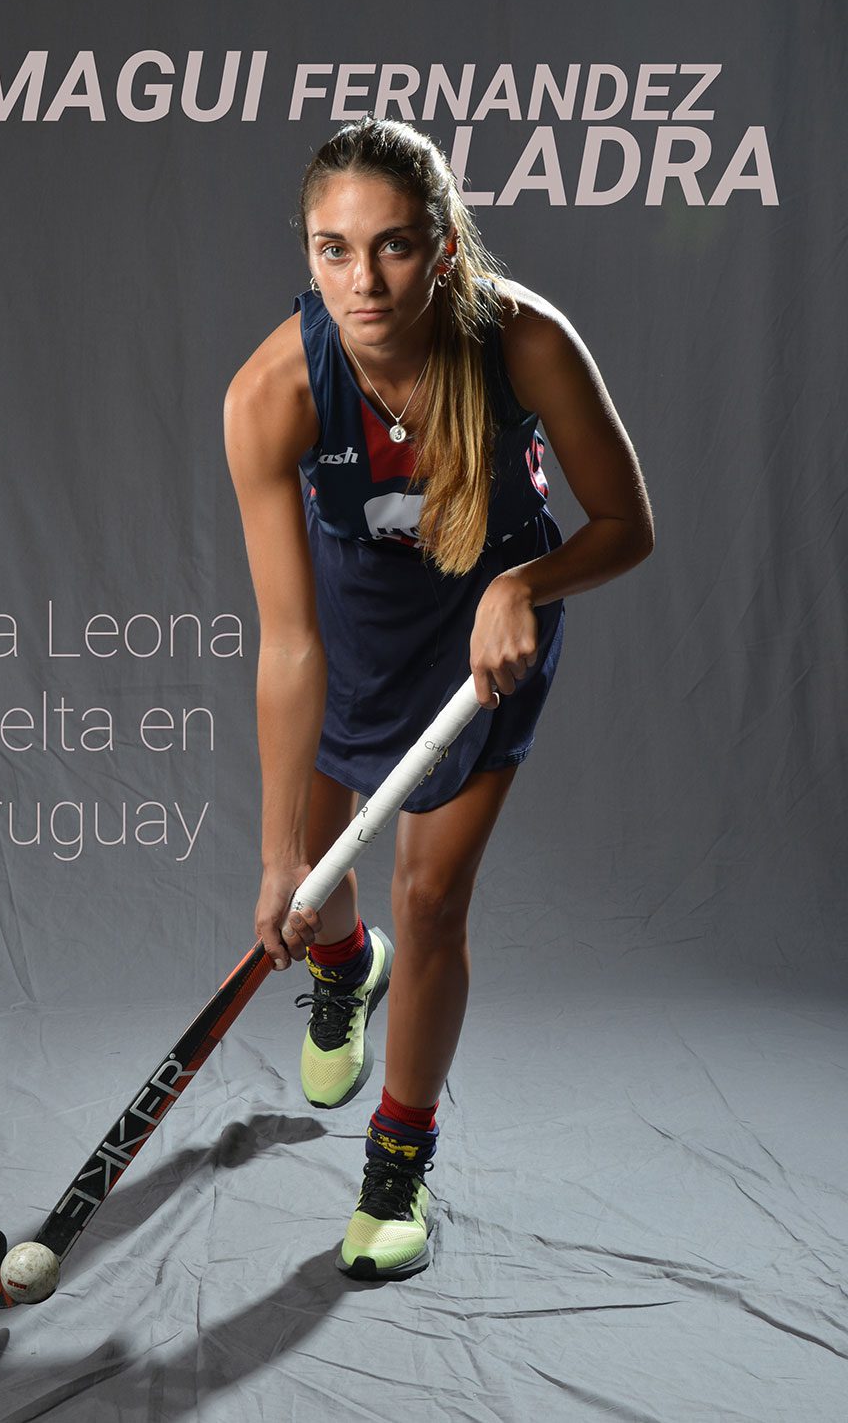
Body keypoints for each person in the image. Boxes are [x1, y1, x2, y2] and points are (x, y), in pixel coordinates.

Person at [224, 117, 653, 1281]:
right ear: (308, 254)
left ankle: (397, 1160)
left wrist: (525, 583)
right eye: (333, 250)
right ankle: (341, 971)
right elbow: (287, 640)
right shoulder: (272, 391)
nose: (363, 281)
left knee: (432, 896)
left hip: (488, 641)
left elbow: (627, 525)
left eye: (394, 246)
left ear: (444, 248)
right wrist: (274, 858)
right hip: (351, 634)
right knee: (316, 873)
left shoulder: (525, 342)